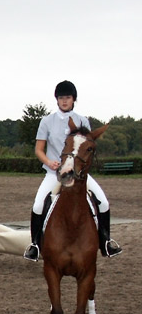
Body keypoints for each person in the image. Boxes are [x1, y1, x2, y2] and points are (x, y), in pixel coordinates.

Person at [23, 80, 122, 261]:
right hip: (55, 173)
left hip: (80, 174)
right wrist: (49, 161)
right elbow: (38, 149)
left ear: (73, 99)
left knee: (104, 203)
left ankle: (106, 242)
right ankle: (35, 245)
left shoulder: (82, 120)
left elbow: (88, 147)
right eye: (61, 98)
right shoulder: (47, 121)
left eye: (67, 97)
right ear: (57, 100)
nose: (64, 101)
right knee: (38, 205)